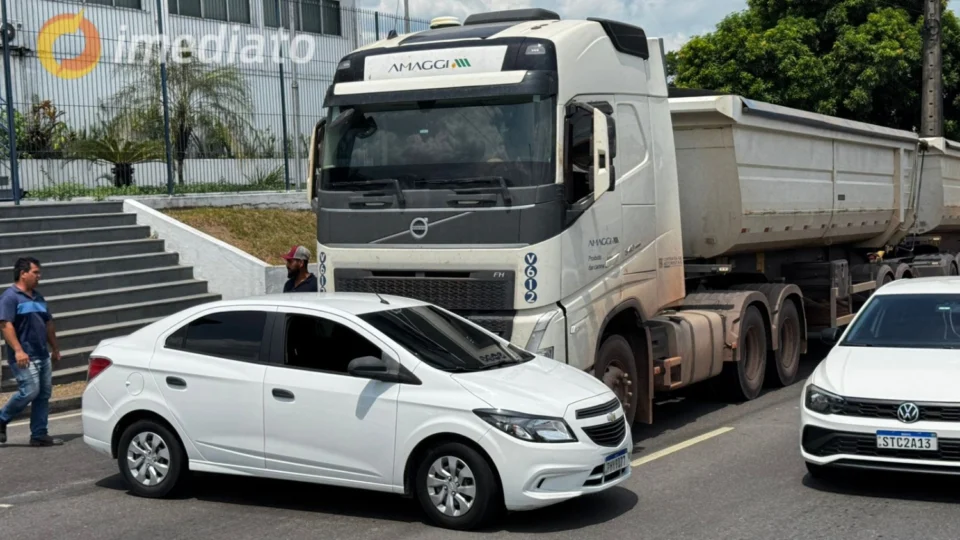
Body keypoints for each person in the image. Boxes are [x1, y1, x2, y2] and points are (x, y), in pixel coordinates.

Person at [0, 257, 62, 446]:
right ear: (23, 273)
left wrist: (55, 348)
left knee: (43, 394)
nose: (39, 276)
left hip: (42, 354)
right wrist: (18, 350)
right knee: (30, 391)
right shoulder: (10, 297)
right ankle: (2, 419)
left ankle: (39, 434)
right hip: (23, 357)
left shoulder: (38, 297)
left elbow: (48, 323)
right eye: (35, 272)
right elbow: (5, 325)